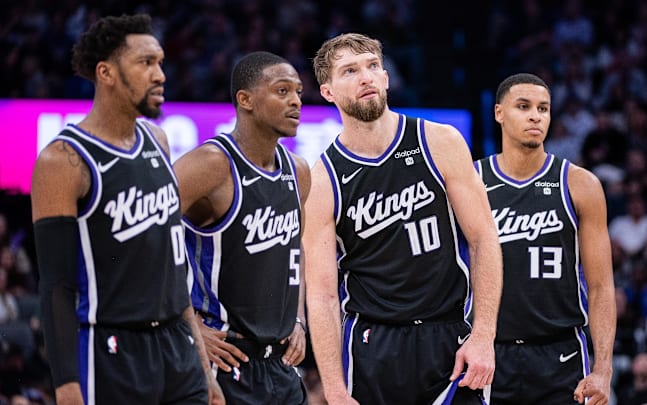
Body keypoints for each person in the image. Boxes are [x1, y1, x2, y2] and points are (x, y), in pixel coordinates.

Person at [30, 14, 223, 405]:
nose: (160, 75)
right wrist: (67, 384)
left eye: (161, 62)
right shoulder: (63, 161)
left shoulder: (158, 140)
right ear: (106, 73)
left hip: (178, 346)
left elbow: (174, 267)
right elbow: (56, 286)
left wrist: (203, 366)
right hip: (112, 349)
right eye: (146, 63)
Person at [303, 32, 503, 404]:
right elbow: (323, 295)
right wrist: (332, 388)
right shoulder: (322, 179)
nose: (365, 77)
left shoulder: (439, 141)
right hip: (372, 345)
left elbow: (483, 238)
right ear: (327, 91)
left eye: (373, 66)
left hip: (450, 336)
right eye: (349, 71)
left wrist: (483, 335)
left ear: (386, 77)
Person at [173, 51, 310, 404]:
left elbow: (296, 253)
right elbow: (143, 241)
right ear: (245, 100)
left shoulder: (298, 170)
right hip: (220, 360)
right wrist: (186, 326)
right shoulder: (210, 165)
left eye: (297, 91)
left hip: (280, 367)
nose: (295, 100)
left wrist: (298, 319)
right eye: (282, 91)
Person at [475, 72, 615, 404]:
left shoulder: (580, 185)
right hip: (491, 353)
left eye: (543, 108)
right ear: (498, 113)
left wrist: (604, 368)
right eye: (523, 106)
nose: (535, 115)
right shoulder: (472, 181)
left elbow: (601, 286)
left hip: (561, 354)